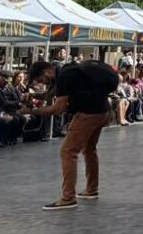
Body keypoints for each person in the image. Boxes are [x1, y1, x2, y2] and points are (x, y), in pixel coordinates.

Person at [24, 59, 119, 210]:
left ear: (46, 72)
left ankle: (68, 197)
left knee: (68, 152)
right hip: (104, 110)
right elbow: (58, 93)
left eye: (41, 80)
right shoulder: (69, 70)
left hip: (88, 114)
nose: (44, 83)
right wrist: (37, 97)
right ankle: (91, 189)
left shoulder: (64, 76)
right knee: (89, 150)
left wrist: (31, 111)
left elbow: (58, 109)